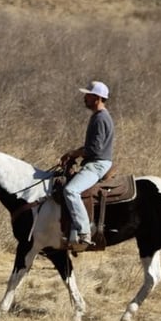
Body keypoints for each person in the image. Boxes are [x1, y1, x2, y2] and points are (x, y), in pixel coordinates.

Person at [60, 80, 115, 248]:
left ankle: (84, 231)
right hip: (96, 161)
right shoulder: (100, 116)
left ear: (97, 98)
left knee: (70, 191)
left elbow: (94, 149)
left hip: (97, 164)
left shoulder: (100, 119)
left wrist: (73, 153)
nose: (85, 97)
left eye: (88, 95)